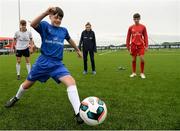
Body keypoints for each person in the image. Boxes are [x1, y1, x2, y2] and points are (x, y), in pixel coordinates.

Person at [5, 7, 84, 124]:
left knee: (71, 82)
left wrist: (77, 49)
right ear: (50, 17)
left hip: (57, 64)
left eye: (60, 18)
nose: (58, 20)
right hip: (43, 63)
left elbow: (69, 39)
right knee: (27, 85)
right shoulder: (45, 26)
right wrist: (46, 12)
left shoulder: (63, 30)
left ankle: (78, 113)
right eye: (56, 17)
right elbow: (33, 24)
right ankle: (16, 97)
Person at [126, 13, 148, 79]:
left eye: (137, 19)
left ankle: (142, 73)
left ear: (139, 19)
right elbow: (128, 37)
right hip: (133, 45)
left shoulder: (143, 27)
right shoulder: (130, 27)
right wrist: (128, 47)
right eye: (135, 19)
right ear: (133, 19)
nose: (136, 20)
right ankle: (134, 73)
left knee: (142, 59)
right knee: (133, 59)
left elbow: (145, 36)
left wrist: (146, 45)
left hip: (141, 45)